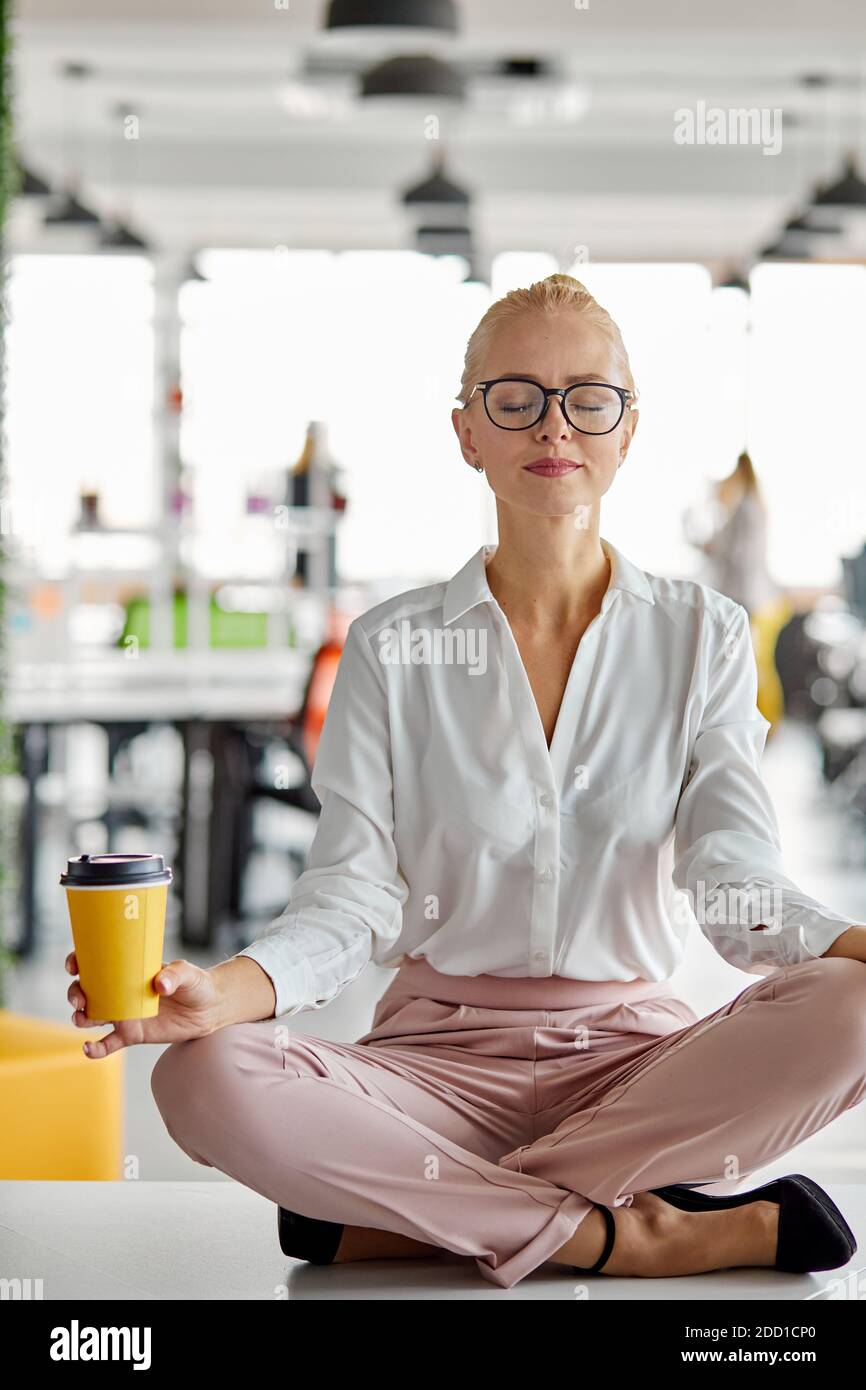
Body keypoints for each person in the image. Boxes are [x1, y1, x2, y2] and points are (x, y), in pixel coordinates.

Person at [66, 275, 866, 1292]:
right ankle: (630, 1234)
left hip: (634, 1070)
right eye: (514, 396)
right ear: (466, 432)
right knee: (204, 1076)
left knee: (853, 1004)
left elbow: (729, 877)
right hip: (429, 1071)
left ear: (626, 429)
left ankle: (425, 1213)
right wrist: (222, 992)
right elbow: (351, 896)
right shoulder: (390, 646)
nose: (554, 425)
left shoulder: (699, 635)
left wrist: (849, 945)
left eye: (588, 397)